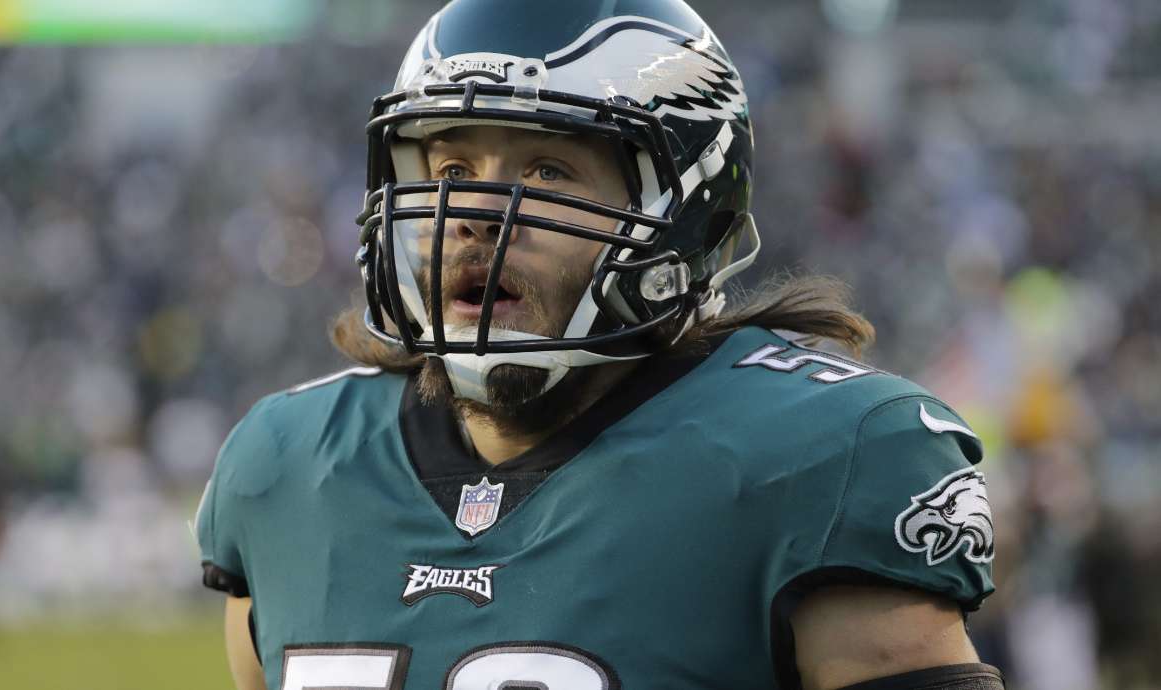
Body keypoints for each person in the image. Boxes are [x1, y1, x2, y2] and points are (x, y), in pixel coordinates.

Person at [194, 1, 1003, 688]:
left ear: (686, 211)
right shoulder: (287, 466)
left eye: (547, 170)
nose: (475, 210)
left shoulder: (823, 453)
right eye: (448, 169)